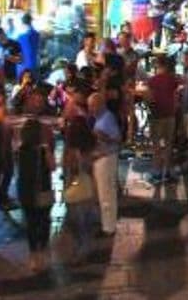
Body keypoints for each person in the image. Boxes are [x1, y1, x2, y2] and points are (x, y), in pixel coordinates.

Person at [17, 117, 55, 272]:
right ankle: (44, 251)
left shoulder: (20, 150)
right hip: (42, 190)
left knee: (31, 224)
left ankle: (34, 257)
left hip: (26, 191)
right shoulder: (43, 150)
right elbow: (52, 167)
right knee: (44, 221)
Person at [62, 116, 98, 263]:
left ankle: (81, 252)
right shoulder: (89, 150)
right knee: (86, 226)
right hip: (87, 190)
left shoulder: (70, 152)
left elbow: (68, 175)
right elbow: (91, 172)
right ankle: (86, 249)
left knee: (77, 226)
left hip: (75, 193)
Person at [145, 55, 181, 183]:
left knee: (156, 145)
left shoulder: (152, 80)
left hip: (157, 115)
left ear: (158, 65)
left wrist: (150, 107)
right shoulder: (173, 79)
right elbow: (176, 96)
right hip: (170, 115)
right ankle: (168, 171)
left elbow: (149, 98)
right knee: (168, 144)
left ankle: (156, 172)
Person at [90, 89, 121, 237]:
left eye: (92, 106)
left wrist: (102, 137)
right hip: (103, 158)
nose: (90, 109)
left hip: (106, 159)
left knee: (106, 194)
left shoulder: (107, 118)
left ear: (100, 105)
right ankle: (108, 224)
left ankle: (108, 228)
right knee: (107, 193)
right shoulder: (102, 118)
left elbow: (117, 139)